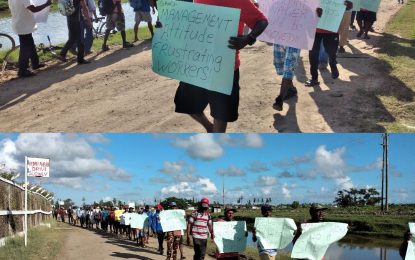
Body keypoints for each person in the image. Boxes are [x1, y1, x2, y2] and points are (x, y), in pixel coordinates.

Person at [173, 0, 268, 133]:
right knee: (186, 104)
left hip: (225, 68)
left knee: (221, 113)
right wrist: (167, 25)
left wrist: (248, 38)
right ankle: (210, 128)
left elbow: (262, 21)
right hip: (197, 63)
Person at [272, 7, 322, 111]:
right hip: (279, 37)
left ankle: (279, 99)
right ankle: (291, 89)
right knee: (280, 66)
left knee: (288, 68)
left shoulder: (307, 4)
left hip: (295, 38)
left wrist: (316, 16)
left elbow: (310, 24)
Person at [305, 1, 353, 86]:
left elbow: (346, 5)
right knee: (313, 54)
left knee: (331, 51)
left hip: (331, 28)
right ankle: (314, 78)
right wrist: (313, 10)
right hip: (314, 28)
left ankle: (333, 64)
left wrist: (348, 6)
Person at [8, 0, 51, 77]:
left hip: (19, 24)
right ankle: (22, 70)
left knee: (30, 44)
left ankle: (35, 63)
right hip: (24, 26)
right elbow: (34, 9)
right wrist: (46, 4)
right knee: (25, 48)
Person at [59, 0, 92, 64]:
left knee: (72, 38)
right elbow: (85, 8)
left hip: (69, 19)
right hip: (78, 19)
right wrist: (89, 20)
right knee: (80, 39)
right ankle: (80, 59)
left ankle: (62, 54)